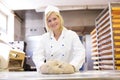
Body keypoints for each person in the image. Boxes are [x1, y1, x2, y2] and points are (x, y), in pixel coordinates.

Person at [32, 5, 85, 73]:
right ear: (47, 23)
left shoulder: (71, 35)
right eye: (49, 21)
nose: (53, 23)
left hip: (68, 75)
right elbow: (37, 55)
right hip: (50, 75)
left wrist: (73, 66)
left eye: (54, 19)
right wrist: (41, 66)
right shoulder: (44, 38)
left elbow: (80, 52)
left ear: (60, 19)